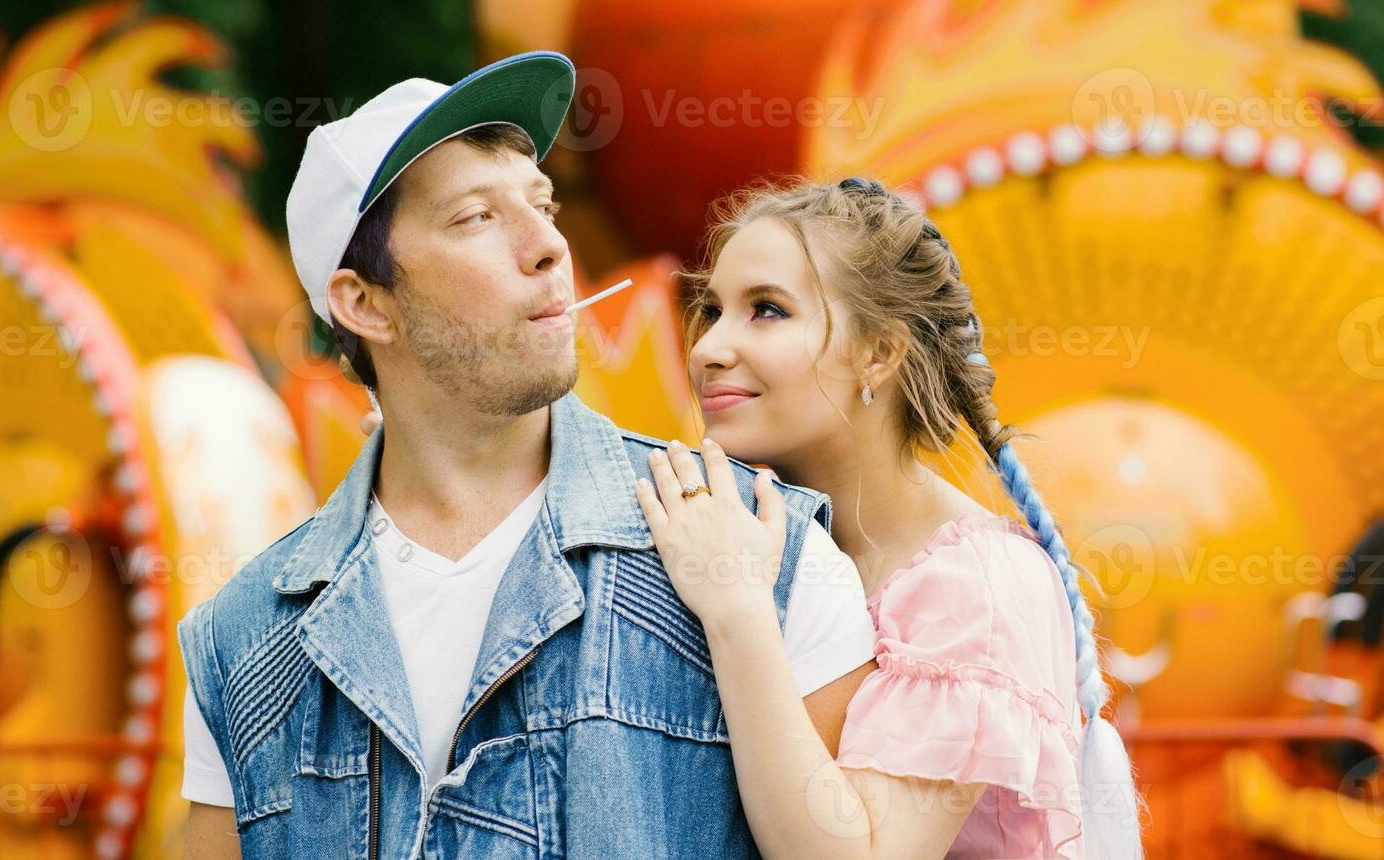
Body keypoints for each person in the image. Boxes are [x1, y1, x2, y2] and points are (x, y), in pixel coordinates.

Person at [176, 53, 877, 859]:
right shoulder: (240, 644)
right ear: (364, 302)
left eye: (542, 203)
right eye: (477, 217)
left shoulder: (766, 548)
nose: (548, 245)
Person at [632, 177, 1145, 858]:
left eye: (766, 310)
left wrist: (736, 612)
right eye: (712, 308)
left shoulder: (977, 589)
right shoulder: (759, 533)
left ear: (879, 352)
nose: (708, 348)